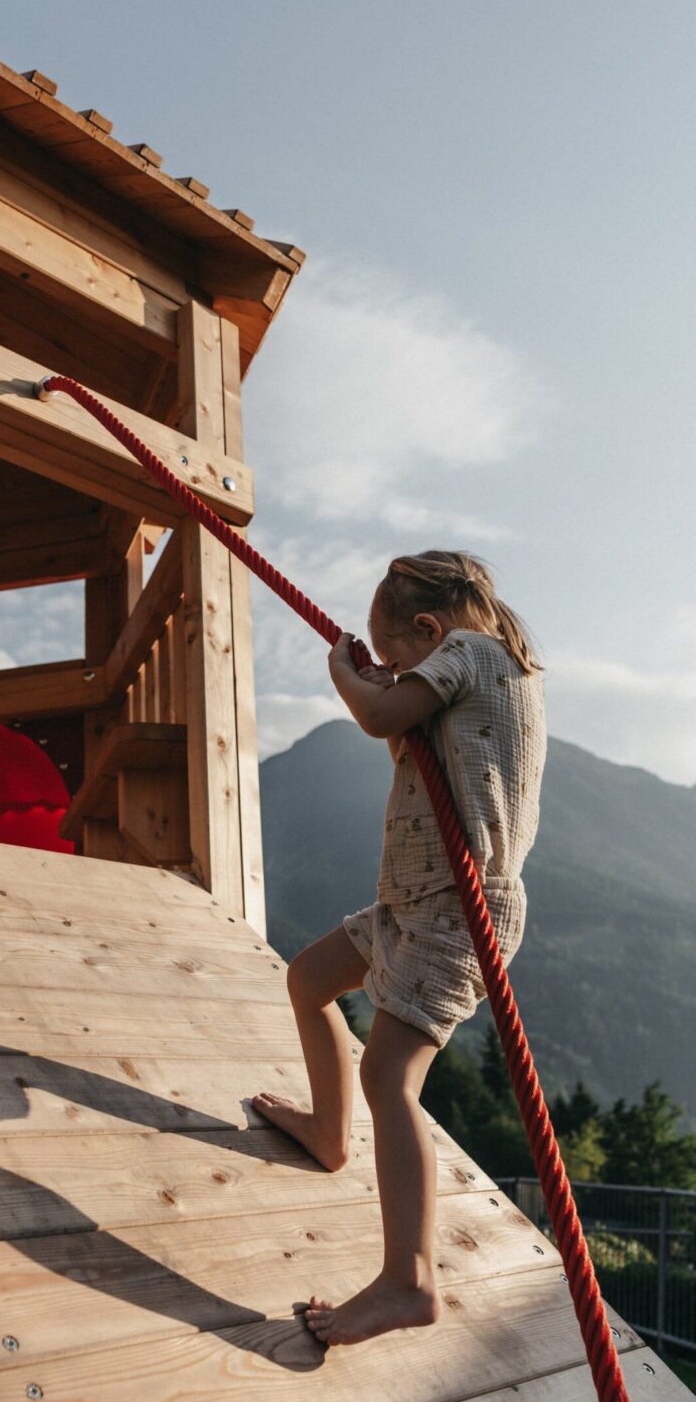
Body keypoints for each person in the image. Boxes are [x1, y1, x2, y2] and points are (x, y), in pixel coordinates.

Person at [253, 549, 545, 1345]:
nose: (390, 673)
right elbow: (414, 742)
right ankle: (325, 1128)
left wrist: (347, 673)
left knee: (390, 1076)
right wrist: (387, 681)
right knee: (308, 979)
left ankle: (408, 1282)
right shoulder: (486, 672)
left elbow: (379, 716)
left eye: (395, 659)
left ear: (427, 628)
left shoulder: (469, 652)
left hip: (457, 909)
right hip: (411, 902)